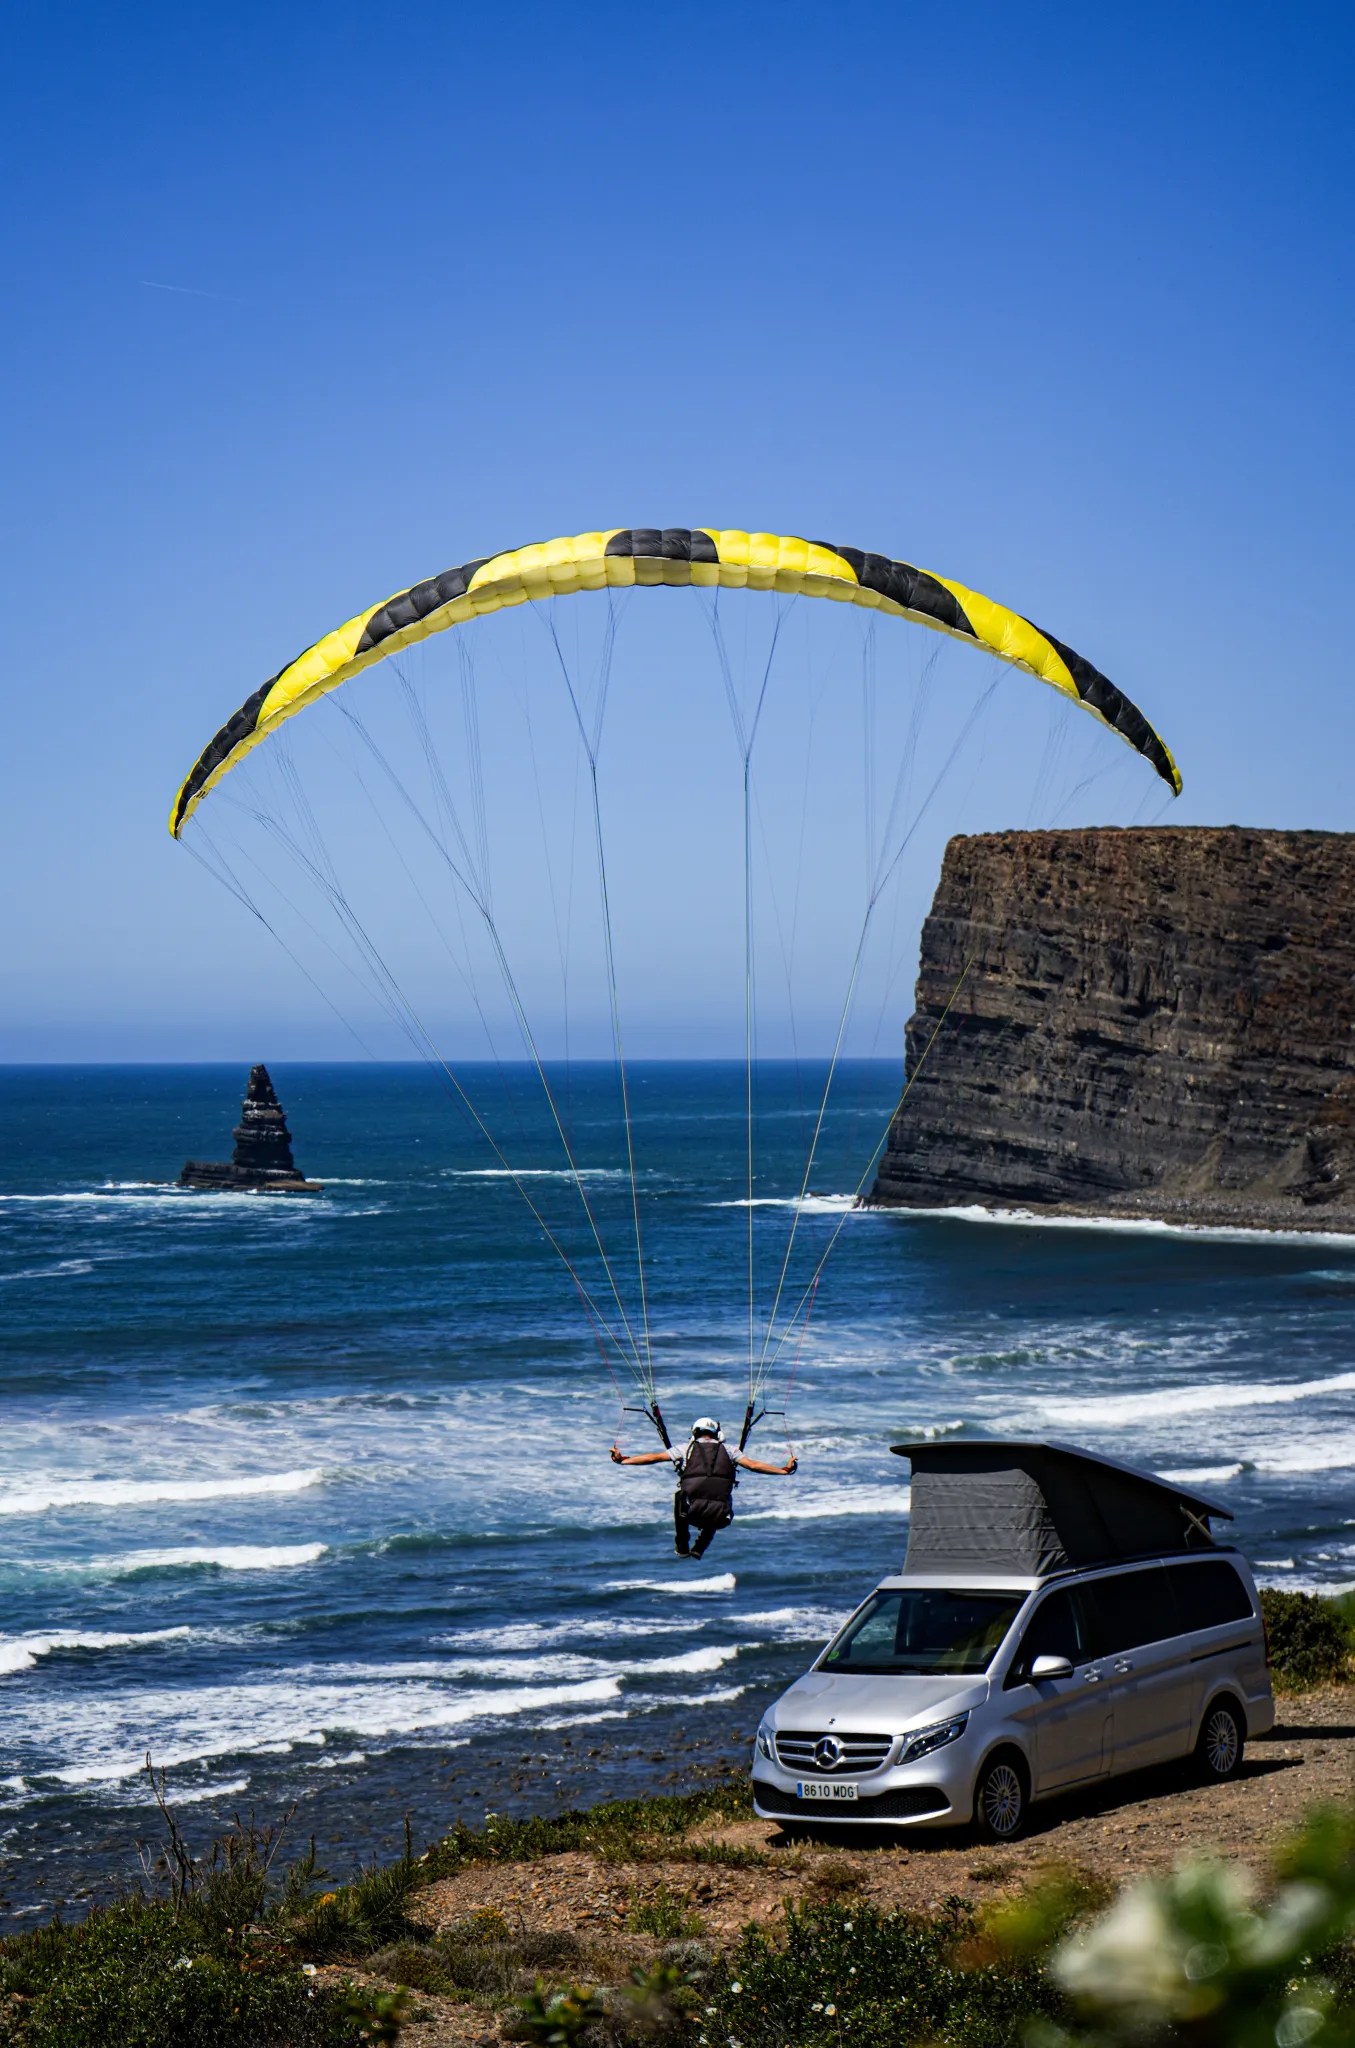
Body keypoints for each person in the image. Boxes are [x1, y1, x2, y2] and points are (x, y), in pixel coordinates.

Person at [610, 1417, 797, 1558]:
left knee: (681, 1496)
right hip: (720, 1516)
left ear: (694, 1433)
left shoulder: (686, 1448)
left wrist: (624, 1460)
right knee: (718, 1496)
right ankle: (700, 1547)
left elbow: (653, 1457)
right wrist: (784, 1470)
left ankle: (682, 1546)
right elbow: (754, 1465)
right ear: (717, 1434)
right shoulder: (731, 1451)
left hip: (690, 1513)